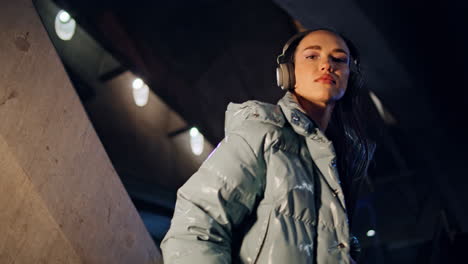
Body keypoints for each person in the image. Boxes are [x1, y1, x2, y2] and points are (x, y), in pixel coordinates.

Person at [161, 27, 376, 264]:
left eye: (339, 59)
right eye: (312, 56)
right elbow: (194, 227)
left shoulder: (337, 162)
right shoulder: (262, 133)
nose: (327, 65)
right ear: (287, 72)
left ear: (350, 77)